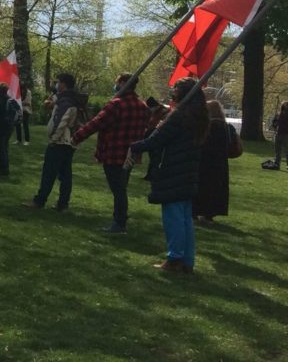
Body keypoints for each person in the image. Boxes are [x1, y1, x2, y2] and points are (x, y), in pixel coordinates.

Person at [129, 77, 209, 274]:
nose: (172, 93)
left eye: (175, 89)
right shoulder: (199, 116)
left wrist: (132, 146)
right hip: (187, 172)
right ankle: (187, 261)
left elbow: (157, 140)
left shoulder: (179, 116)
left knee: (173, 218)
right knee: (185, 220)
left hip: (174, 170)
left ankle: (174, 259)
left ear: (183, 93)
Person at [71, 73, 151, 233]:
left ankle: (119, 222)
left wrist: (77, 137)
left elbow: (96, 123)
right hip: (131, 153)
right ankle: (121, 217)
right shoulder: (142, 106)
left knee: (118, 189)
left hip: (113, 151)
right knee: (122, 186)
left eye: (117, 82)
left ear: (121, 83)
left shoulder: (116, 105)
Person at [26, 74, 85, 210]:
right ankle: (62, 203)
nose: (56, 84)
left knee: (49, 173)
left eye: (58, 82)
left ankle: (39, 201)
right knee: (65, 174)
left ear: (63, 84)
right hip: (70, 142)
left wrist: (53, 139)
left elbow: (60, 123)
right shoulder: (74, 99)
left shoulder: (66, 101)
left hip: (60, 142)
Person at [193, 100, 232, 224]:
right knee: (216, 189)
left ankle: (199, 211)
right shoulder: (225, 126)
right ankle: (209, 214)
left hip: (207, 162)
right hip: (220, 162)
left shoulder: (211, 126)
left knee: (204, 188)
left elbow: (205, 144)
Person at [0, 82, 21, 176]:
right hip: (9, 127)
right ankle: (5, 168)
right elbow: (18, 110)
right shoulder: (11, 100)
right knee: (5, 148)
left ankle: (2, 169)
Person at [266, 101, 288, 170]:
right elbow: (274, 124)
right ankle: (277, 164)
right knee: (277, 151)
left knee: (287, 151)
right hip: (278, 134)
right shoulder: (279, 115)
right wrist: (275, 124)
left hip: (286, 135)